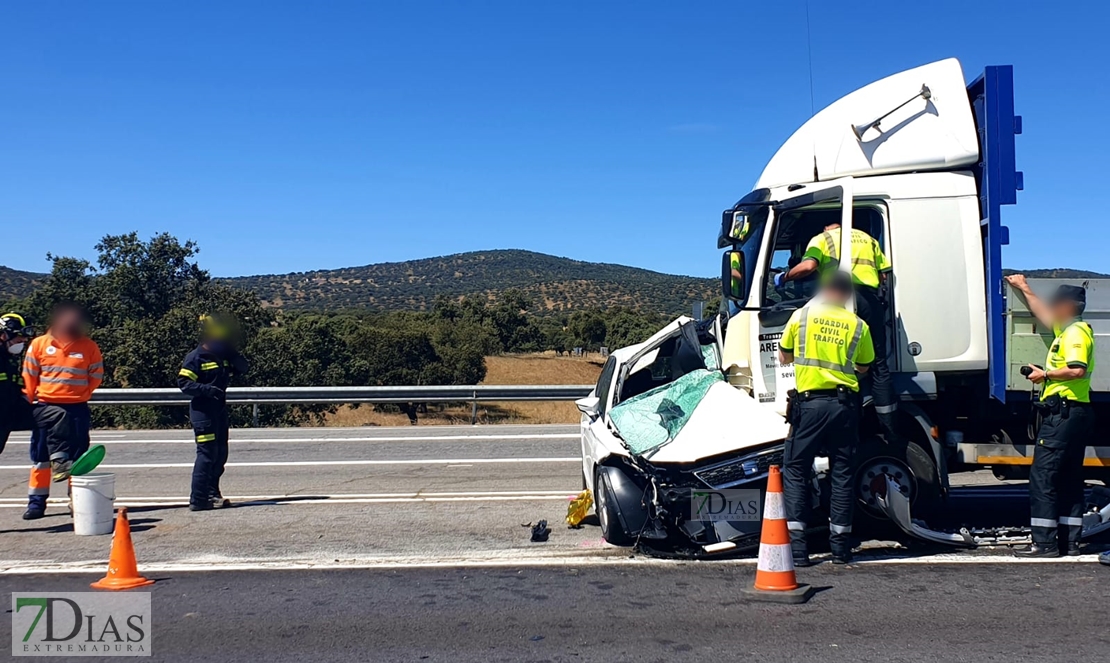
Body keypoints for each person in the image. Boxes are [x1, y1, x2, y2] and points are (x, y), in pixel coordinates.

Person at [777, 272, 875, 566]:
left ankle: (799, 551)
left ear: (826, 289)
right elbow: (864, 367)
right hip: (845, 406)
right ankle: (841, 550)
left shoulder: (801, 316)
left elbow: (783, 357)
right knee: (842, 473)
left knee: (796, 470)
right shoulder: (858, 325)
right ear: (846, 295)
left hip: (810, 406)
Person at [777, 218, 895, 436]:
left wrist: (784, 277)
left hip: (839, 297)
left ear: (825, 227)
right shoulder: (867, 238)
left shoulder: (822, 239)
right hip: (869, 299)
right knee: (878, 364)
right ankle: (887, 424)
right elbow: (884, 274)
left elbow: (808, 266)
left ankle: (843, 408)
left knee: (833, 349)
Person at [1005, 275, 1095, 558]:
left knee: (1043, 477)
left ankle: (1043, 544)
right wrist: (1025, 288)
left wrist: (1044, 374)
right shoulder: (1065, 329)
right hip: (1072, 413)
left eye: (1057, 304)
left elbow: (1076, 369)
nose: (1052, 308)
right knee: (1068, 477)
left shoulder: (1075, 334)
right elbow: (1041, 312)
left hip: (1065, 414)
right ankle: (1068, 542)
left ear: (1068, 306)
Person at [21, 303, 104, 520]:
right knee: (41, 458)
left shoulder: (88, 346)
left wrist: (82, 393)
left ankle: (77, 503)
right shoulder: (39, 344)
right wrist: (29, 402)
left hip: (76, 408)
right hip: (45, 406)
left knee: (76, 459)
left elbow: (96, 375)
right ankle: (36, 504)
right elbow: (29, 375)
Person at [177, 313, 249, 511]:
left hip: (218, 412)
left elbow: (244, 367)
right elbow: (184, 383)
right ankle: (198, 499)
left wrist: (231, 354)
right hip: (203, 414)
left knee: (219, 455)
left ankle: (212, 492)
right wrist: (207, 390)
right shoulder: (196, 358)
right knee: (206, 455)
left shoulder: (223, 357)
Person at [0, 313, 74, 482]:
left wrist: (23, 399)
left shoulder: (10, 359)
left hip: (12, 412)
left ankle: (60, 462)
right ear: (4, 335)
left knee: (57, 415)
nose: (23, 343)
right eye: (19, 339)